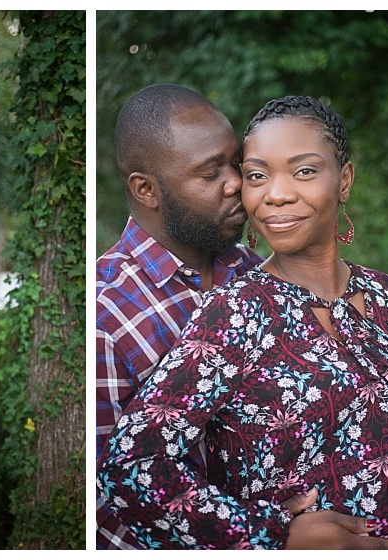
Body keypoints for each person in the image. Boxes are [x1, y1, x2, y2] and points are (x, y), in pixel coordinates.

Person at [97, 95, 388, 549]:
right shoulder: (235, 308)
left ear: (343, 180)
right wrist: (271, 536)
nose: (277, 192)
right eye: (258, 175)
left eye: (304, 170)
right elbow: (132, 466)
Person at [95, 83, 263, 549]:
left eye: (236, 163)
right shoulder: (106, 316)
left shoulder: (259, 276)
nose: (236, 183)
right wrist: (269, 538)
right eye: (210, 174)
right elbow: (109, 514)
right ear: (146, 189)